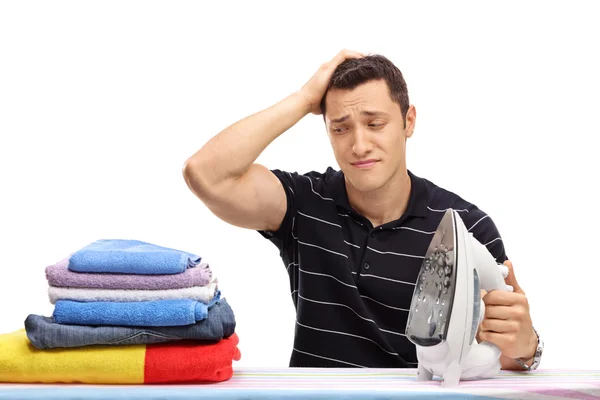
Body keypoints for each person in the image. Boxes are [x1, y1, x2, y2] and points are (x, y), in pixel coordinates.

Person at [182, 50, 542, 371]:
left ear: (409, 121)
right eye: (340, 128)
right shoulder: (303, 203)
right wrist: (304, 98)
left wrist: (526, 345)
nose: (359, 145)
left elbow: (502, 354)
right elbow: (205, 174)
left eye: (375, 124)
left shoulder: (466, 225)